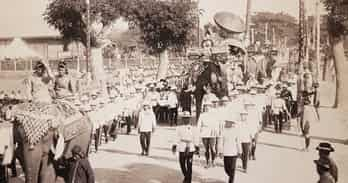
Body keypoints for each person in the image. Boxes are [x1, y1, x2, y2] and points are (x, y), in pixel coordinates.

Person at [172, 111, 200, 183]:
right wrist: (174, 145)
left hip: (190, 148)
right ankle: (186, 177)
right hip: (182, 147)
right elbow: (176, 137)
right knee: (182, 163)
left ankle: (188, 180)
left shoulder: (193, 128)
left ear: (189, 119)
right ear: (182, 119)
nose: (186, 119)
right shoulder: (179, 128)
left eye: (187, 118)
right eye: (184, 118)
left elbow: (196, 137)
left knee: (189, 165)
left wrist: (197, 146)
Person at [218, 114, 242, 183]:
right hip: (226, 153)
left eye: (230, 122)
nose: (228, 123)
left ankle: (231, 180)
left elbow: (238, 142)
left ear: (232, 123)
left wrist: (240, 151)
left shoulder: (236, 131)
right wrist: (220, 151)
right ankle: (231, 176)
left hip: (234, 153)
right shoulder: (223, 131)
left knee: (232, 169)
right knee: (226, 169)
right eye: (227, 122)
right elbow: (220, 142)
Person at [197, 101, 219, 168]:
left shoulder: (214, 114)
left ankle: (213, 160)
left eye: (208, 106)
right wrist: (198, 133)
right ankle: (207, 162)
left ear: (210, 107)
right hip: (204, 133)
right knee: (206, 149)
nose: (207, 108)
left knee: (212, 148)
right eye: (205, 106)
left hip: (212, 133)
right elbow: (199, 125)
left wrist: (216, 132)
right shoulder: (202, 115)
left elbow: (216, 124)